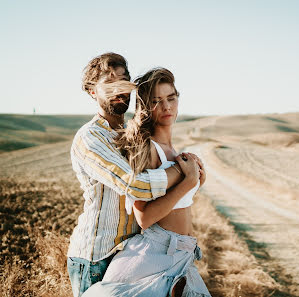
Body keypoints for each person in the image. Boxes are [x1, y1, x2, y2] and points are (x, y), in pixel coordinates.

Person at [68, 53, 200, 297]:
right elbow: (136, 185)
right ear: (92, 92)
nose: (120, 89)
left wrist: (192, 170)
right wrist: (184, 174)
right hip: (97, 256)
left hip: (132, 251)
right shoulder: (91, 138)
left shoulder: (130, 136)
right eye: (110, 83)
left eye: (124, 81)